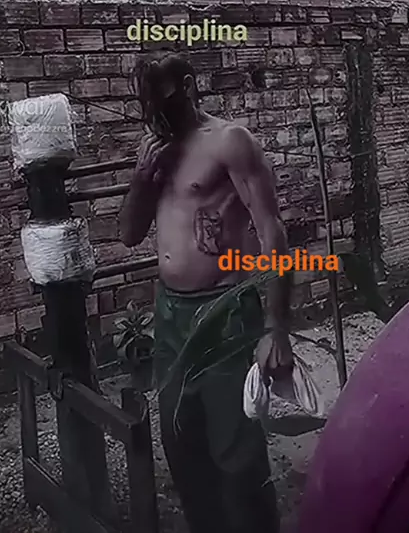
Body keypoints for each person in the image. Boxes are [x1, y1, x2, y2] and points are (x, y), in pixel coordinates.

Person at [119, 54, 293, 533]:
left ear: (189, 87)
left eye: (163, 100)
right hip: (170, 315)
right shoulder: (155, 149)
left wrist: (276, 328)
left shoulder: (229, 142)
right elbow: (129, 234)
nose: (155, 113)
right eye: (147, 104)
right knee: (182, 445)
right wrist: (141, 177)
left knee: (236, 452)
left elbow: (272, 231)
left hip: (225, 312)